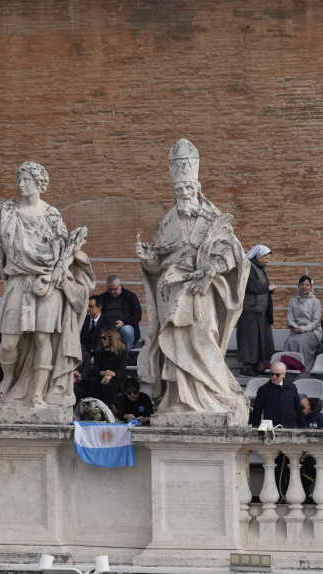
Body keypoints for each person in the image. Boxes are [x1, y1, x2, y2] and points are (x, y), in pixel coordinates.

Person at [0, 161, 94, 412]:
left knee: (43, 340)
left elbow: (66, 251)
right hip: (18, 282)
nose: (21, 184)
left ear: (40, 184)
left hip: (46, 285)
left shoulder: (52, 214)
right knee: (8, 343)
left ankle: (37, 394)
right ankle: (9, 380)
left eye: (27, 180)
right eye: (19, 180)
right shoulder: (5, 212)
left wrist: (61, 269)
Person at [137, 139, 250, 425]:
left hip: (201, 291)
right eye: (179, 190)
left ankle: (214, 394)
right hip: (172, 291)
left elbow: (233, 254)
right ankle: (180, 400)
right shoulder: (167, 221)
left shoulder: (212, 219)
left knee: (204, 336)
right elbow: (158, 263)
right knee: (175, 343)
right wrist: (147, 259)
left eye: (188, 188)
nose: (184, 194)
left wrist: (211, 270)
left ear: (197, 189)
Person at [238, 245, 275, 376]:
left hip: (261, 310)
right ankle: (246, 368)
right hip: (251, 310)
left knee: (262, 340)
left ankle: (258, 366)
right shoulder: (249, 267)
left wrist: (269, 288)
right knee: (250, 340)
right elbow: (252, 287)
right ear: (258, 256)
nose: (267, 261)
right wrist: (268, 288)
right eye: (266, 258)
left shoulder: (260, 268)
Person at [283, 275, 323, 371]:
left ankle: (303, 368)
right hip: (296, 331)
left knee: (301, 341)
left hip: (313, 332)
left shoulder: (315, 302)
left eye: (307, 285)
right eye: (302, 284)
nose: (304, 287)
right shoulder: (292, 301)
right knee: (288, 341)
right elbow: (290, 319)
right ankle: (289, 368)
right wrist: (295, 327)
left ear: (311, 287)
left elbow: (316, 321)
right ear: (298, 285)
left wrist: (302, 329)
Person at [98, 275, 143, 355]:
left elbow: (137, 315)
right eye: (110, 289)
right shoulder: (102, 298)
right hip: (108, 327)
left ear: (120, 286)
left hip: (126, 326)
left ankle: (126, 356)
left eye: (114, 289)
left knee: (127, 330)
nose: (112, 292)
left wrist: (124, 322)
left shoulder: (130, 296)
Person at [250, 362, 303, 428]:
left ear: (284, 374)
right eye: (272, 374)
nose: (274, 377)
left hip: (291, 427)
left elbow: (298, 409)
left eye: (277, 375)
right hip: (271, 429)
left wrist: (302, 427)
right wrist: (256, 429)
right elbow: (257, 412)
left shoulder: (292, 388)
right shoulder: (263, 390)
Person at [89, 327, 127, 415]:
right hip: (101, 378)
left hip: (117, 379)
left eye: (104, 338)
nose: (102, 340)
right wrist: (104, 373)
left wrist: (111, 374)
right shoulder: (98, 352)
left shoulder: (122, 352)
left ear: (112, 338)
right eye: (101, 338)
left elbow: (121, 370)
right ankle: (108, 406)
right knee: (101, 381)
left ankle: (110, 406)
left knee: (110, 381)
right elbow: (96, 370)